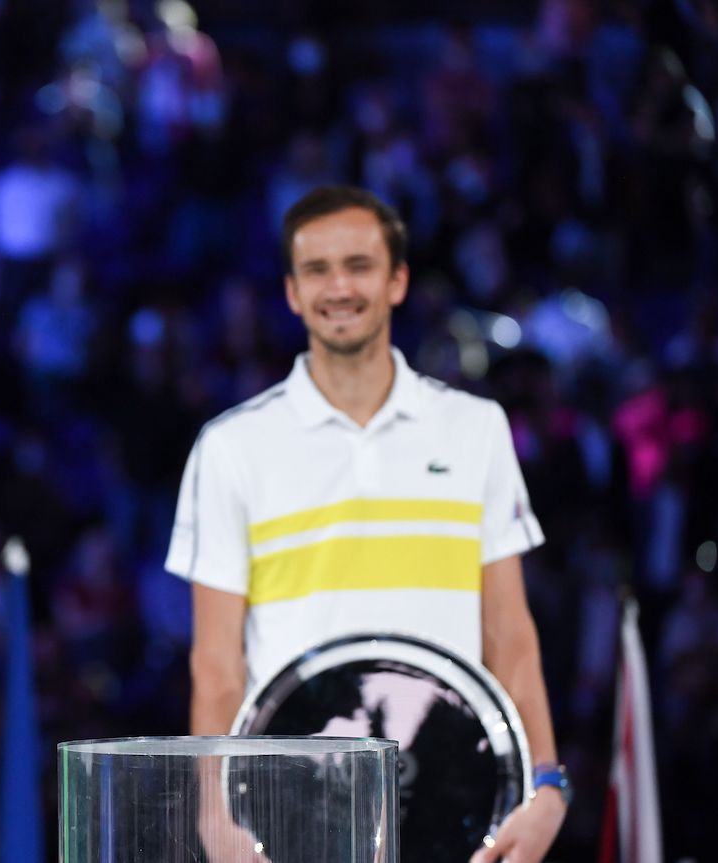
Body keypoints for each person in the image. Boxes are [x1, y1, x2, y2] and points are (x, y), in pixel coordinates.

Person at [167, 186, 567, 863]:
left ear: (398, 280)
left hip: (457, 804)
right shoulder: (231, 446)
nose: (339, 286)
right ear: (292, 293)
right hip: (291, 811)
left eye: (358, 264)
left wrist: (547, 785)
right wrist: (216, 811)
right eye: (317, 270)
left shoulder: (476, 430)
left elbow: (510, 629)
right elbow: (216, 661)